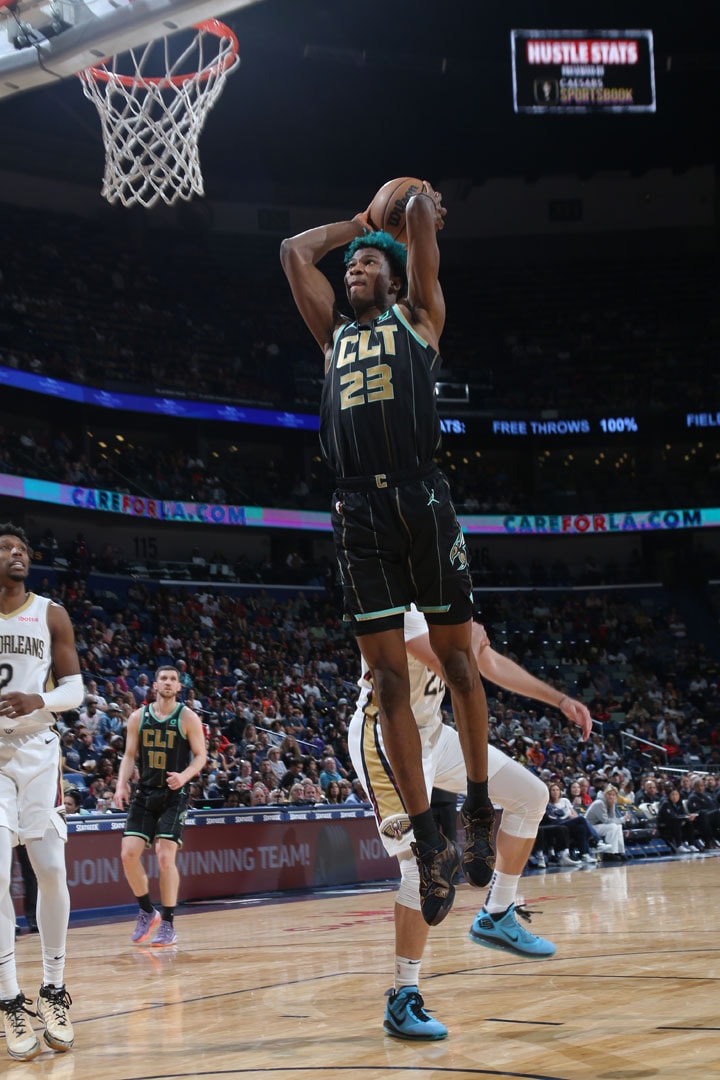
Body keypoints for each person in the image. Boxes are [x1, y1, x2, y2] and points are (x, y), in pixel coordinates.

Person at [281, 184, 495, 926]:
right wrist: (359, 224)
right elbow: (293, 252)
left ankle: (478, 809)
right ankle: (429, 835)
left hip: (421, 497)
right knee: (387, 684)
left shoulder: (420, 318)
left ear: (396, 280)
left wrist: (414, 210)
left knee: (458, 662)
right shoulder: (333, 335)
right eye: (353, 269)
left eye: (368, 265)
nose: (354, 272)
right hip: (357, 509)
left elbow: (423, 237)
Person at [348, 606, 592, 1039]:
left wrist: (560, 699)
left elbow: (485, 663)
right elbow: (449, 663)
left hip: (433, 734)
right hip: (384, 736)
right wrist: (473, 642)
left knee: (531, 796)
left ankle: (497, 912)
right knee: (420, 867)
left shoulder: (443, 595)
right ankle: (403, 996)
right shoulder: (394, 597)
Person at [0, 522, 84, 1061]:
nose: (17, 554)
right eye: (7, 548)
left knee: (50, 870)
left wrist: (40, 699)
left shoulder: (51, 612)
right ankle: (8, 999)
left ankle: (52, 989)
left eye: (23, 549)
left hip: (38, 751)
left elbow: (75, 689)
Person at [113, 666, 207, 948]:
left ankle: (168, 922)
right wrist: (121, 784)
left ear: (179, 687)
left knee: (165, 858)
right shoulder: (137, 717)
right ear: (154, 685)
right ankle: (146, 911)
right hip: (145, 793)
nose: (168, 683)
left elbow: (201, 756)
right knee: (128, 854)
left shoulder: (188, 717)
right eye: (163, 678)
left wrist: (184, 776)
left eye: (173, 680)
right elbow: (129, 755)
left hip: (173, 795)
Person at [585, 786, 627, 859]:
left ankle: (619, 852)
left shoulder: (611, 803)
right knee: (613, 827)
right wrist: (622, 819)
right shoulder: (599, 803)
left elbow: (612, 818)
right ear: (605, 794)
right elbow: (606, 821)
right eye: (609, 794)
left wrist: (612, 806)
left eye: (613, 795)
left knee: (618, 826)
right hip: (589, 828)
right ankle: (609, 853)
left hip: (598, 826)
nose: (611, 796)